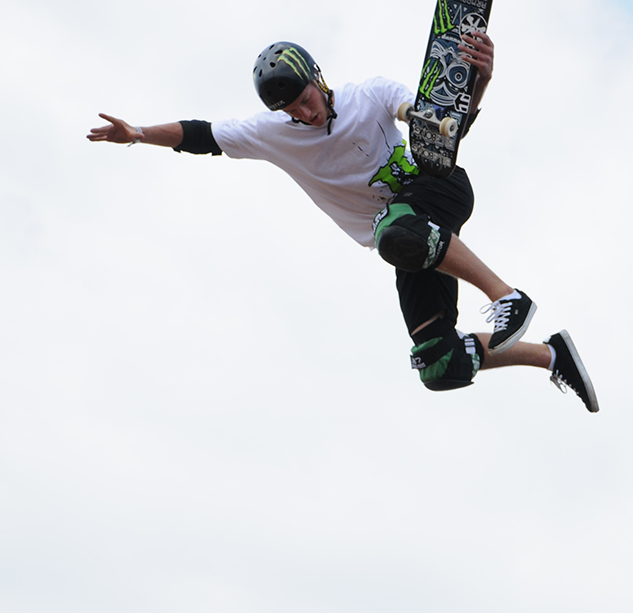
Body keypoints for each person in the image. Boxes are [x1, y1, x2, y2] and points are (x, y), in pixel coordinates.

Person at [88, 32, 598, 411]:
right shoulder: (274, 132)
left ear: (319, 79)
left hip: (437, 189)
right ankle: (551, 356)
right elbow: (201, 134)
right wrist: (135, 132)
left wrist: (478, 80)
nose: (305, 115)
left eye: (306, 100)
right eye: (293, 111)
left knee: (395, 233)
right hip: (409, 241)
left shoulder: (369, 96)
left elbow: (437, 124)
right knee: (439, 364)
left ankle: (506, 297)